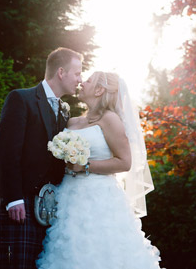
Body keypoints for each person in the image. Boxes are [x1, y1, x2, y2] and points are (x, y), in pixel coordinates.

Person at [37, 71, 161, 268]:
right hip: (69, 196)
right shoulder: (72, 121)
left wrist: (85, 165)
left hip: (99, 198)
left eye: (88, 81)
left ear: (99, 90)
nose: (81, 83)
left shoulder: (110, 119)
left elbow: (124, 162)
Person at [0, 47, 83, 268]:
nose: (80, 79)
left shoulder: (65, 110)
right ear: (61, 72)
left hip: (48, 205)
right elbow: (7, 152)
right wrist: (14, 198)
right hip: (20, 202)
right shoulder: (21, 98)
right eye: (77, 73)